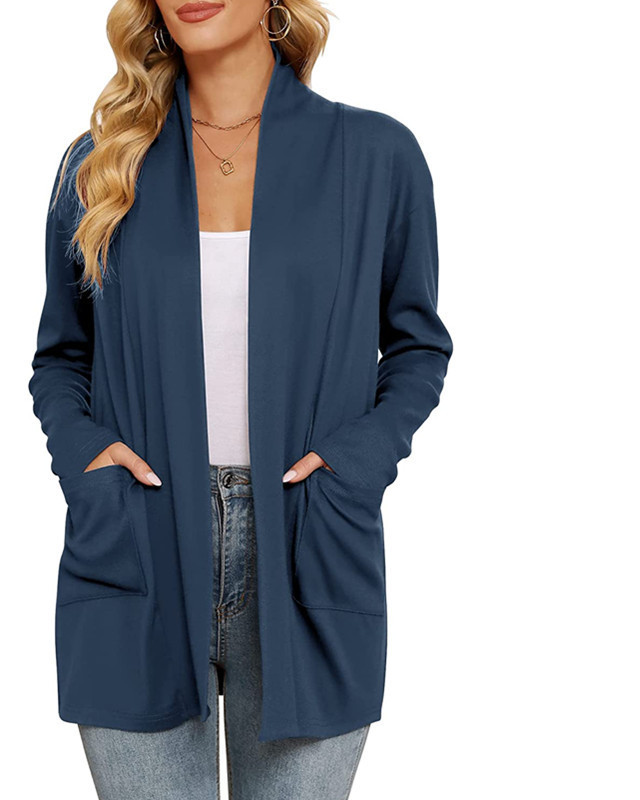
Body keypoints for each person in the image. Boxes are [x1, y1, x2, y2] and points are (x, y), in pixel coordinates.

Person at [28, 1, 453, 797]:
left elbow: (418, 346)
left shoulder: (373, 155)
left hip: (308, 545)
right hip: (138, 543)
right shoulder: (101, 164)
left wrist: (354, 468)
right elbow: (61, 358)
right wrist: (88, 465)